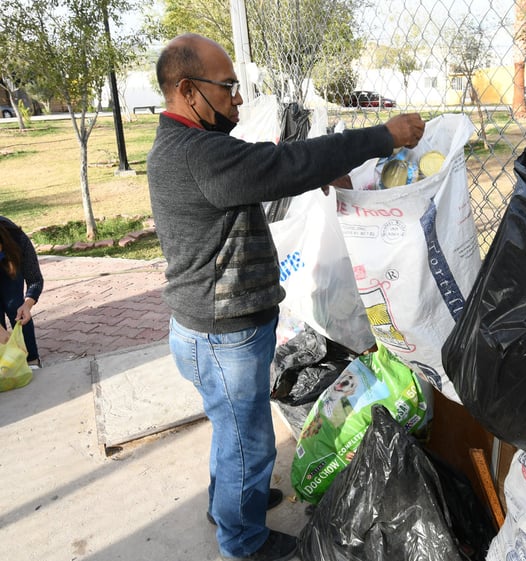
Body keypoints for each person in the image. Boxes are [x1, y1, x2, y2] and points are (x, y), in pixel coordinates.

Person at [147, 33, 425, 561]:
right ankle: (243, 542)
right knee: (247, 443)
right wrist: (382, 135)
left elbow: (264, 167)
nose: (237, 99)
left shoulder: (180, 147)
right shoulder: (199, 155)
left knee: (229, 430)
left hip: (202, 328)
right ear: (187, 89)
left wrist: (312, 168)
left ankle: (226, 504)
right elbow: (279, 166)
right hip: (224, 335)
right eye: (227, 87)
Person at [0, 216, 43, 369]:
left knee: (15, 306)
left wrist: (27, 304)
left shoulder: (17, 238)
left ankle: (31, 359)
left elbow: (35, 279)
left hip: (9, 267)